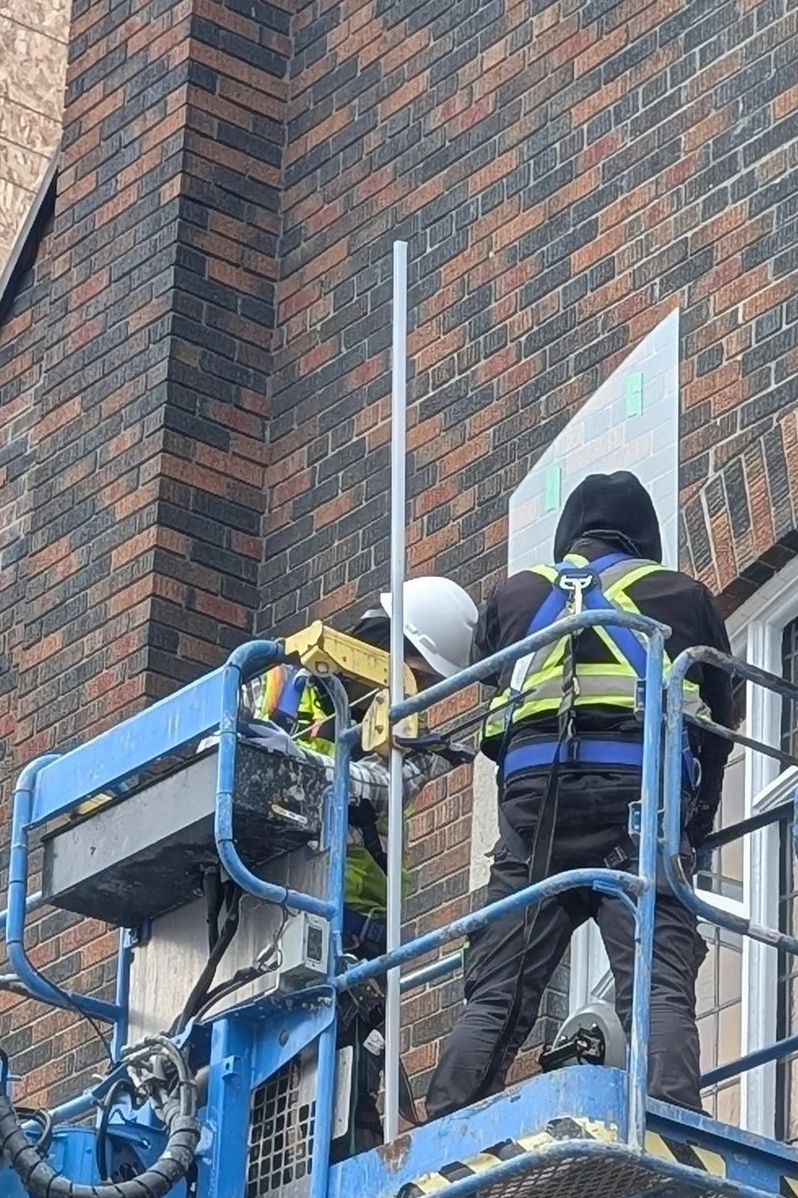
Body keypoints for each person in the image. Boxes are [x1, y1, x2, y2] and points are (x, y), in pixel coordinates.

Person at [427, 471, 736, 1119]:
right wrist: (692, 835)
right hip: (638, 810)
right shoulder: (680, 596)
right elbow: (717, 729)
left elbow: (497, 708)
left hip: (534, 818)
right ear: (644, 537)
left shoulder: (514, 598)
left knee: (497, 995)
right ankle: (672, 1125)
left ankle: (445, 1131)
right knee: (656, 989)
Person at [247, 575, 476, 1142]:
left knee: (352, 1081)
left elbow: (387, 786)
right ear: (403, 650)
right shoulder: (284, 681)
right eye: (423, 678)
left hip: (356, 937)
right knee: (316, 1093)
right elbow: (244, 767)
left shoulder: (398, 724)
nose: (423, 695)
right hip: (278, 916)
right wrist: (325, 772)